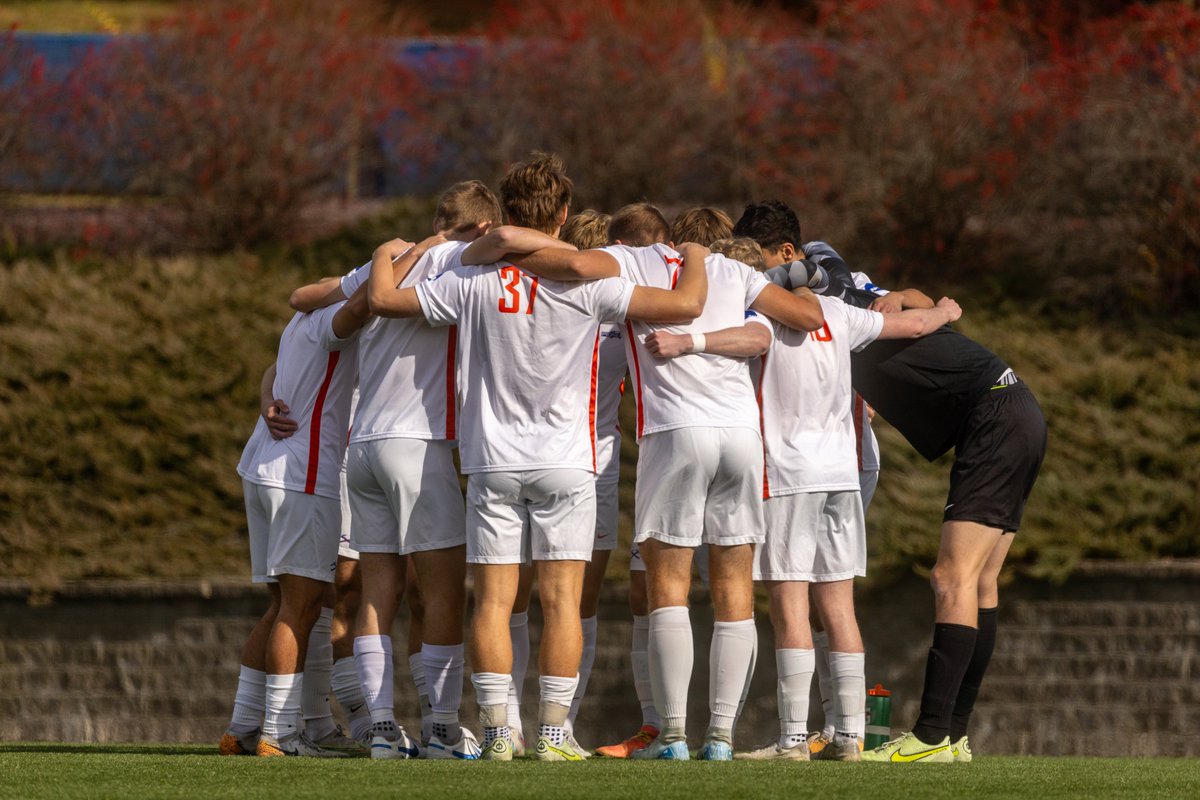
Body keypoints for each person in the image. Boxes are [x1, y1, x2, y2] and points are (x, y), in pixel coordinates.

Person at [366, 152, 709, 762]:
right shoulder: (592, 280)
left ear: (504, 212)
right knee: (561, 602)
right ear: (564, 214)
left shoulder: (471, 278)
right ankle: (553, 733)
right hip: (567, 460)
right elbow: (684, 308)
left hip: (491, 458)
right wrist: (701, 262)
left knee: (495, 602)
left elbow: (388, 303)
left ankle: (501, 732)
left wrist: (386, 256)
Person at [482, 201, 824, 760]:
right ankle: (719, 737)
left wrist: (492, 248)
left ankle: (670, 736)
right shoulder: (732, 270)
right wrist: (805, 277)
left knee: (669, 589)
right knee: (735, 589)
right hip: (741, 435)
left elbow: (569, 267)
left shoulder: (630, 262)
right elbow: (806, 318)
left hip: (675, 432)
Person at [735, 200, 1047, 764]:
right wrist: (918, 301)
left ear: (787, 256)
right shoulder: (848, 288)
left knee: (951, 577)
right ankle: (952, 737)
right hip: (1013, 406)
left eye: (757, 265)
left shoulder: (820, 293)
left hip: (993, 415)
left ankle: (929, 736)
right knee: (980, 585)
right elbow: (921, 304)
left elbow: (881, 302)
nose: (755, 280)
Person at [648, 235, 962, 762]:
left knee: (791, 605)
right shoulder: (840, 313)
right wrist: (946, 308)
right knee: (839, 607)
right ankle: (851, 737)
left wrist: (688, 343)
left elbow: (736, 346)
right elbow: (913, 323)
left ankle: (794, 739)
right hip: (842, 472)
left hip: (789, 473)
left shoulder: (761, 318)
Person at [221, 279, 370, 757]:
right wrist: (417, 252)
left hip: (265, 466)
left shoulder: (300, 318)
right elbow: (365, 300)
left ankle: (242, 728)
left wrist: (267, 396)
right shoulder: (339, 317)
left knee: (284, 606)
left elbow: (275, 368)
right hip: (303, 476)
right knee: (302, 608)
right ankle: (280, 734)